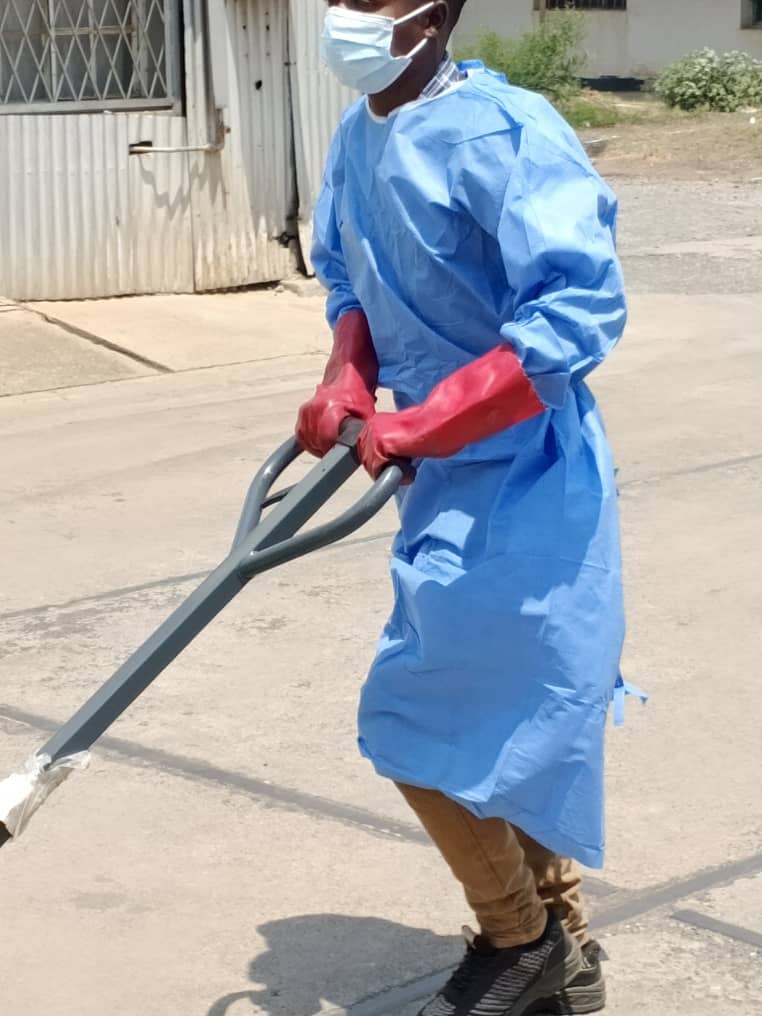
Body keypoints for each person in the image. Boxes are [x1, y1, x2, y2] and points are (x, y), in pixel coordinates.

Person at [296, 2, 628, 1014]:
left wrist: (430, 419)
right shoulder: (360, 135)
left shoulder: (505, 132)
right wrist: (348, 377)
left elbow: (575, 311)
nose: (343, 16)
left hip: (528, 475)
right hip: (440, 473)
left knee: (415, 718)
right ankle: (565, 945)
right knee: (504, 719)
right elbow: (351, 278)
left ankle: (518, 941)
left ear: (432, 17)